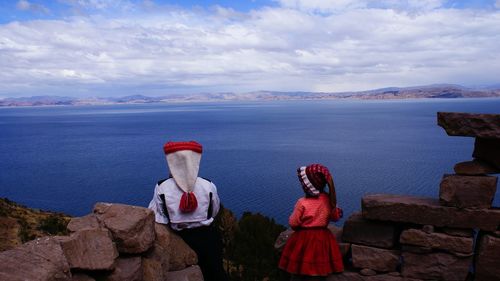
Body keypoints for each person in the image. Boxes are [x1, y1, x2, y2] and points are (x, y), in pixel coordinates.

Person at [148, 141, 228, 281]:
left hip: (178, 238)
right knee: (215, 273)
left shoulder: (162, 187)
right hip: (208, 238)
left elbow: (158, 217)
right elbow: (215, 211)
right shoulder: (208, 185)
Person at [279, 164, 344, 279]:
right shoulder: (329, 200)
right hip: (323, 238)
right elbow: (335, 217)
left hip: (304, 239)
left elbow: (293, 223)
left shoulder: (302, 202)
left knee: (302, 271)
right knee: (321, 270)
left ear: (307, 186)